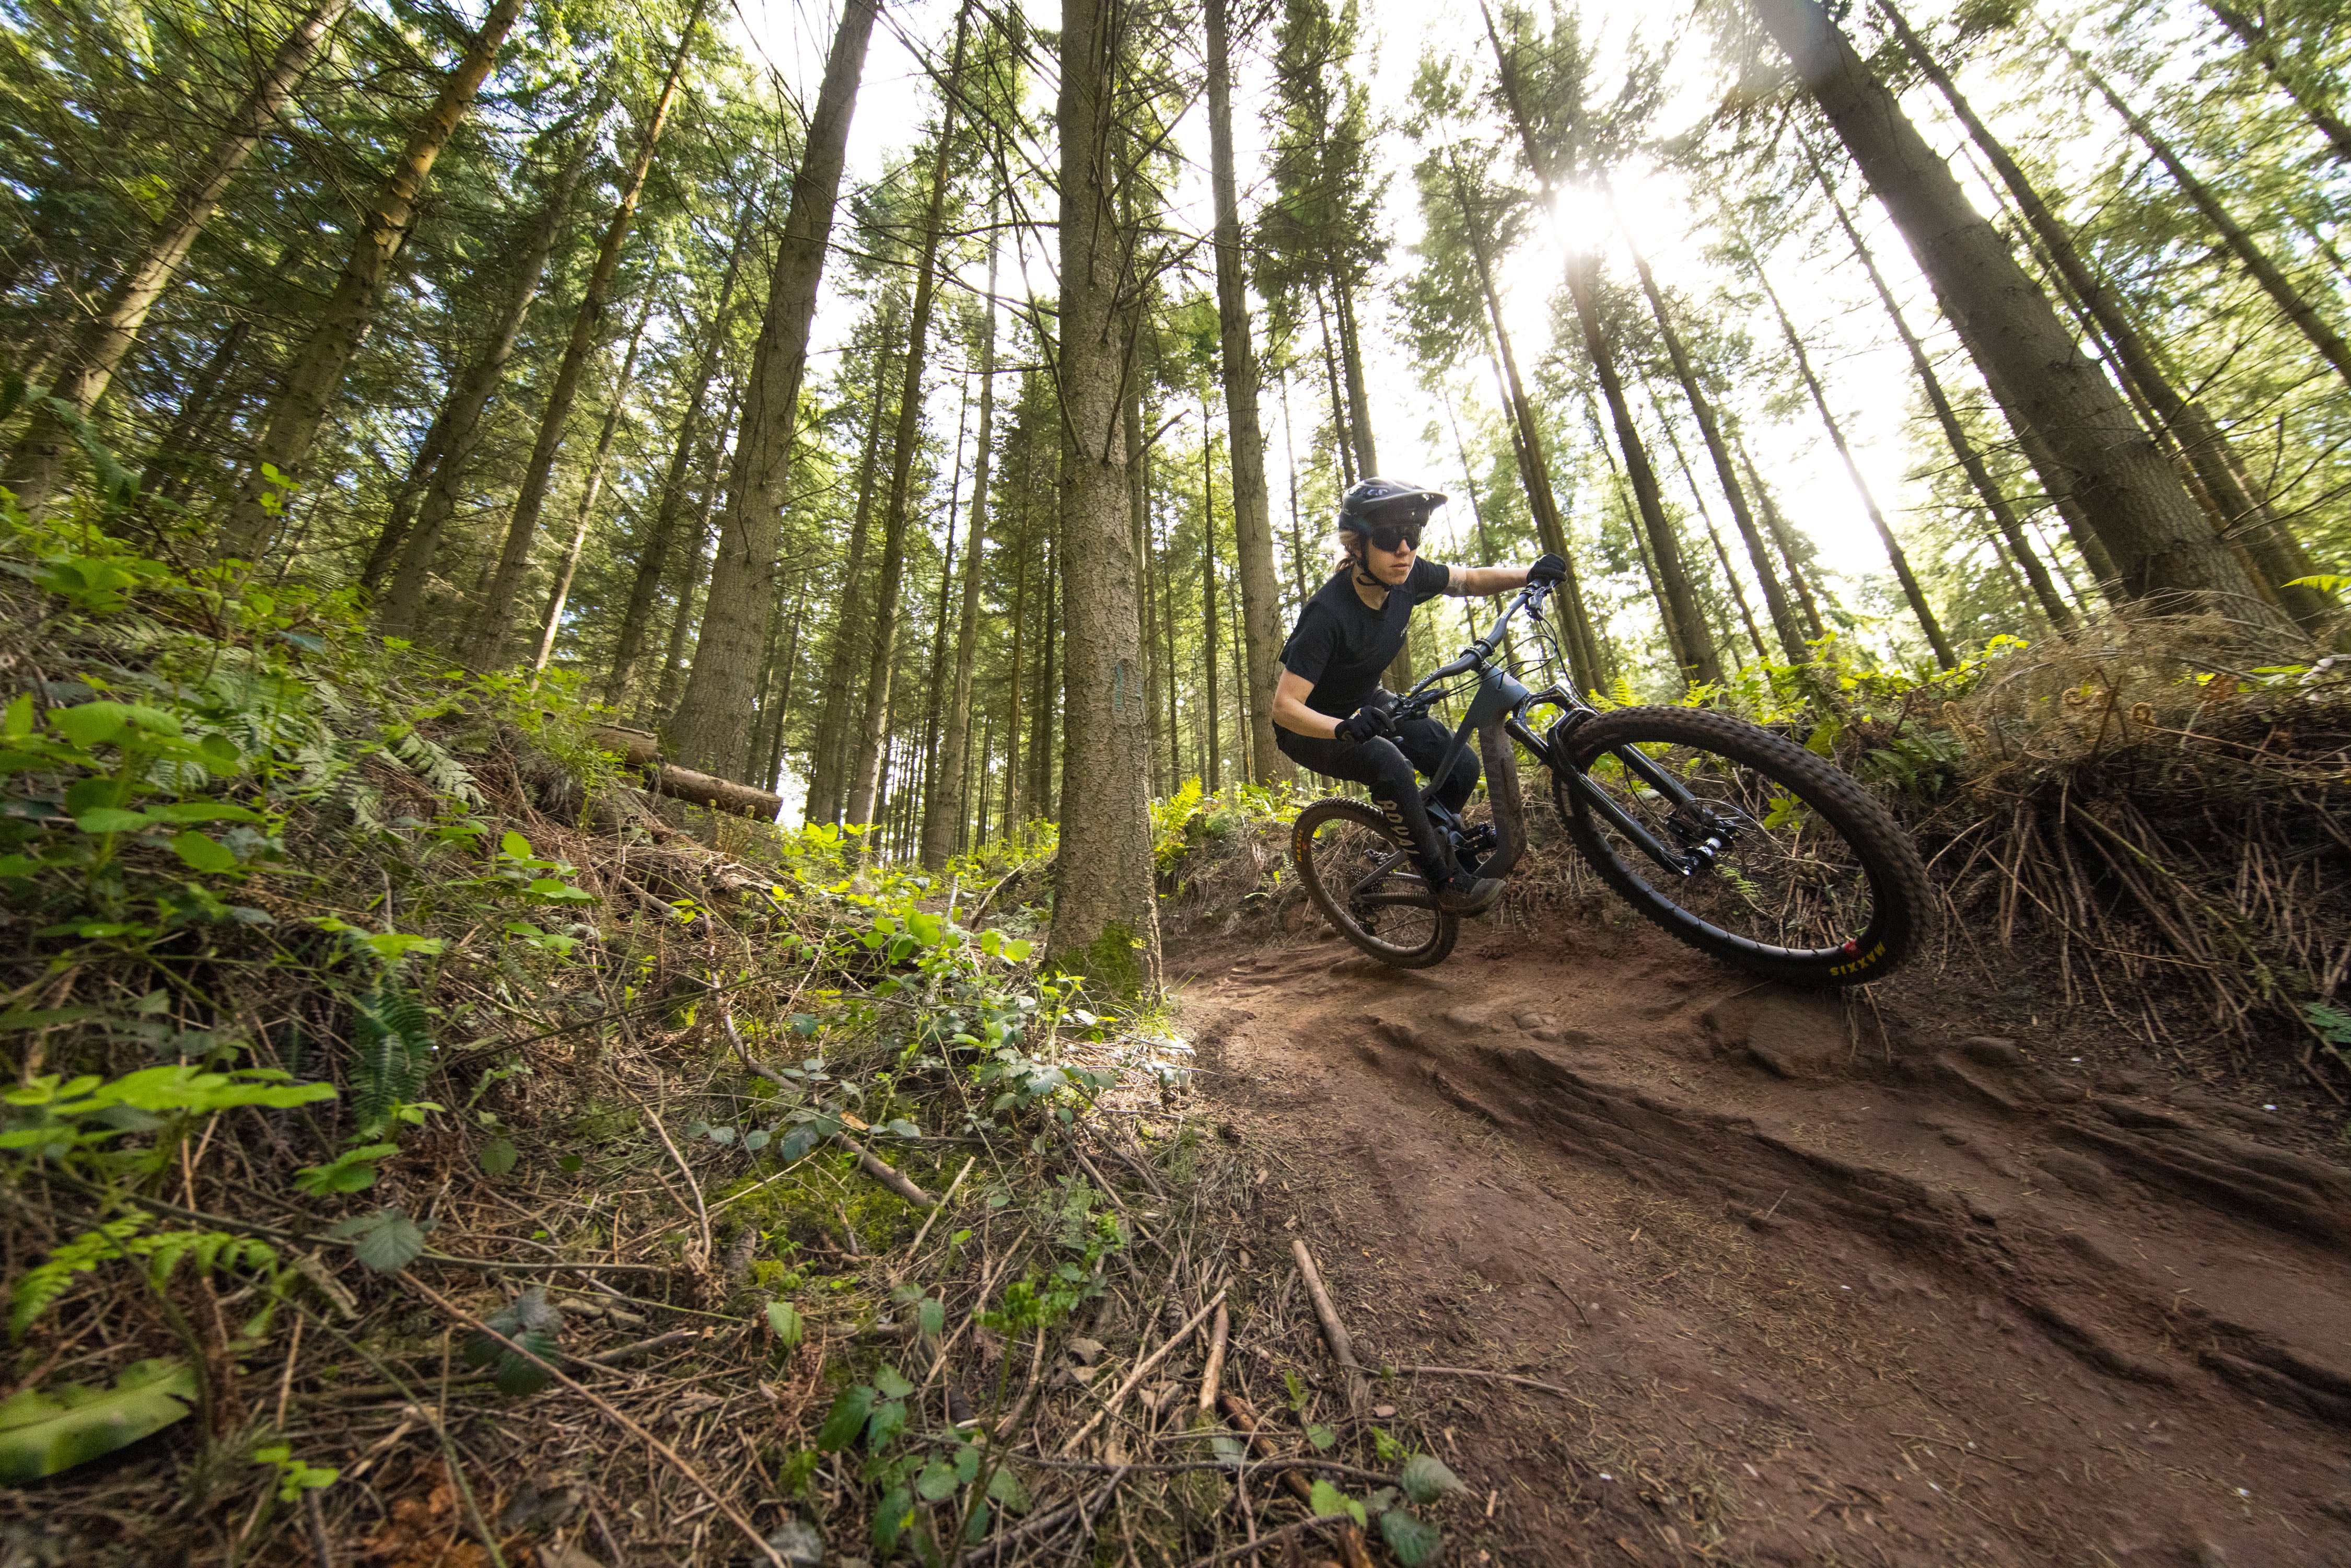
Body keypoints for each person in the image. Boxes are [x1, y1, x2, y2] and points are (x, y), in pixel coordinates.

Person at [1272, 477, 1568, 915]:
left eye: (1413, 537)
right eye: (1391, 538)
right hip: (1310, 728)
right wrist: (1343, 728)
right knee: (1387, 762)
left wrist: (1530, 574)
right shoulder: (1328, 614)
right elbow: (1284, 707)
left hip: (1363, 700)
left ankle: (1428, 837)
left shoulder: (1407, 578)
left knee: (1461, 766)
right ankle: (1444, 881)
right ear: (1357, 545)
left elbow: (1467, 580)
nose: (1405, 550)